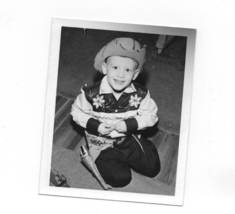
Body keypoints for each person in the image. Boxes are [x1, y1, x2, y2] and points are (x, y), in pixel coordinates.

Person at [71, 38, 161, 188]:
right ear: (105, 68)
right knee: (120, 179)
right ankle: (107, 162)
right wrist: (95, 125)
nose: (120, 75)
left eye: (127, 70)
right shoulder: (90, 94)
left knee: (153, 169)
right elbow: (76, 112)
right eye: (115, 67)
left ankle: (142, 146)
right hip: (103, 145)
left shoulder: (140, 94)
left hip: (128, 139)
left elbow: (151, 116)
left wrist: (130, 124)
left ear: (135, 74)